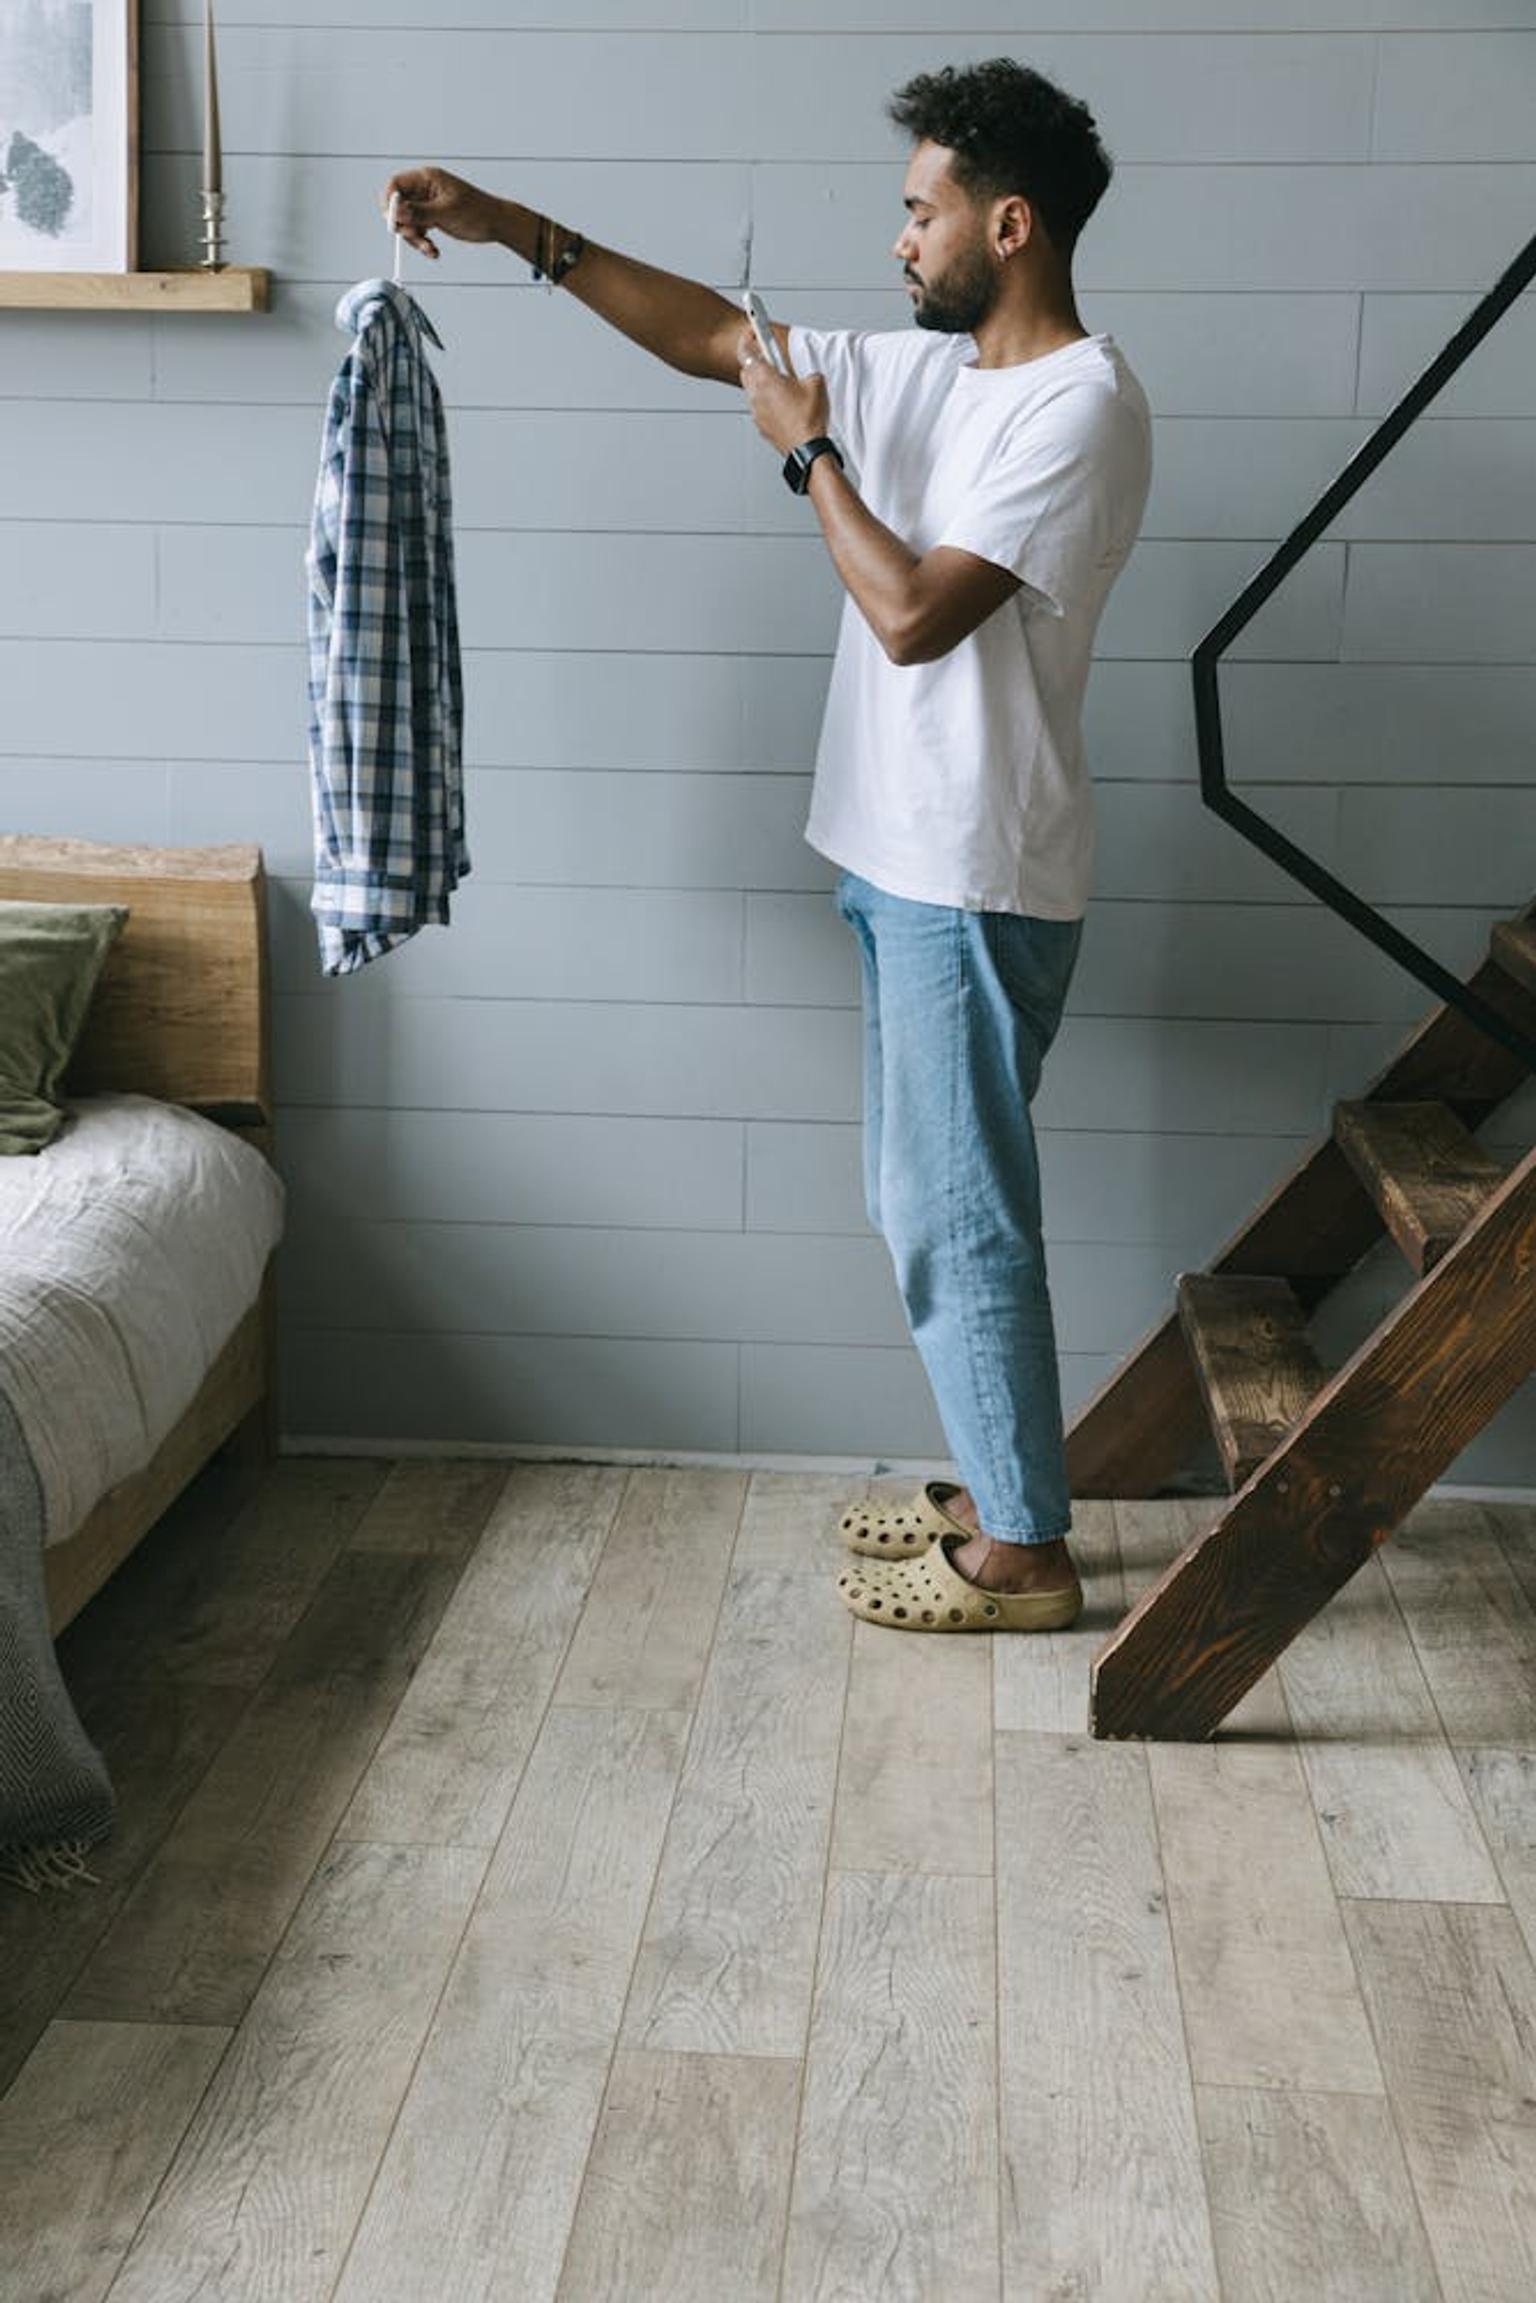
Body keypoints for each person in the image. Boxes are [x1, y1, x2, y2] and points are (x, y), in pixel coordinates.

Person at [386, 56, 1151, 1636]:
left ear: (1009, 226)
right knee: (919, 1196)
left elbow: (917, 614)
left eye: (919, 213)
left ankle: (1025, 1547)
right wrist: (511, 224)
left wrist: (809, 458)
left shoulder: (1082, 403)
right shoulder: (935, 369)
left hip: (972, 874)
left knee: (958, 1207)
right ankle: (1005, 1485)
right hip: (899, 861)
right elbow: (720, 339)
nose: (898, 242)